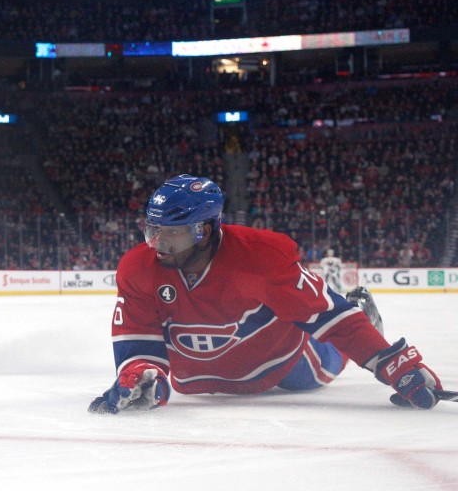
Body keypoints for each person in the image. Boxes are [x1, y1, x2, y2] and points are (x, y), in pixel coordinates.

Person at [90, 174, 444, 414]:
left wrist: (393, 363)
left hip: (284, 365)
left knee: (331, 354)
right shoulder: (138, 268)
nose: (160, 245)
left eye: (173, 233)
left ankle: (364, 313)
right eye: (154, 231)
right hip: (194, 381)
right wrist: (144, 378)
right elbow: (140, 341)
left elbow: (327, 315)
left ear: (205, 230)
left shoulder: (262, 256)